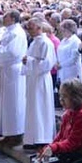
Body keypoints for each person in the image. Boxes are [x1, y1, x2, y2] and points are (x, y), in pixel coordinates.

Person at [22, 19, 57, 149]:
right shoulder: (34, 42)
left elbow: (47, 63)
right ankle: (32, 137)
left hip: (41, 79)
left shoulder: (45, 43)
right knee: (32, 108)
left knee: (40, 107)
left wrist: (29, 60)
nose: (29, 30)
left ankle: (42, 137)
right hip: (33, 79)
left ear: (38, 27)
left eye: (31, 27)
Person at [0, 10, 28, 142]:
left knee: (13, 102)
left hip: (13, 71)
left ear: (13, 19)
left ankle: (15, 133)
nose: (3, 18)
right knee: (5, 102)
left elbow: (13, 53)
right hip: (6, 69)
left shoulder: (17, 33)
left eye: (5, 17)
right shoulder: (8, 31)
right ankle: (7, 132)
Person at [56, 19, 81, 85]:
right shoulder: (63, 40)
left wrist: (61, 65)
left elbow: (73, 59)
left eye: (64, 31)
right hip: (62, 70)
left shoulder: (75, 41)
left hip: (71, 71)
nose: (62, 32)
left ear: (70, 30)